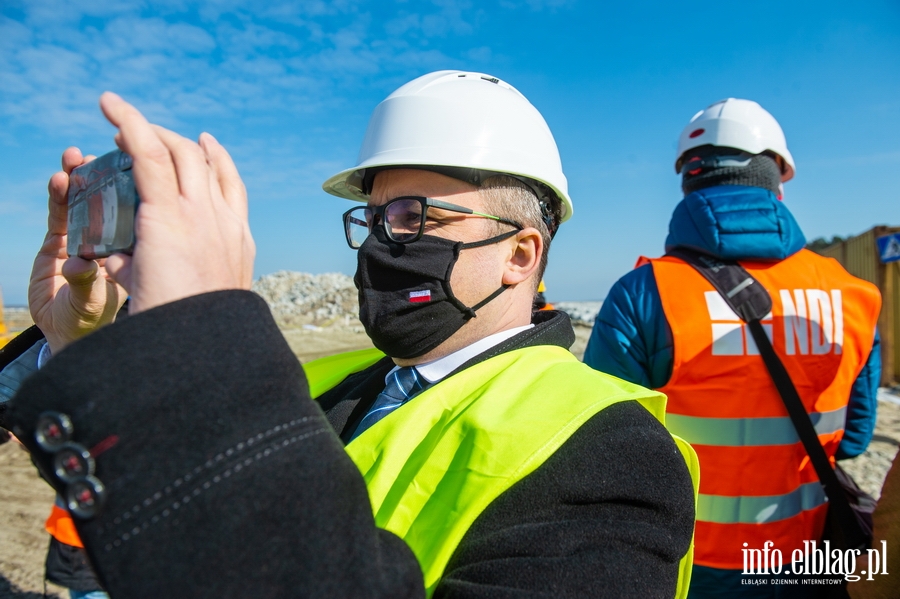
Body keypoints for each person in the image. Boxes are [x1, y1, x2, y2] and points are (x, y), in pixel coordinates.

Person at [3, 72, 698, 598]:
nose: (379, 246)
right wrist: (84, 344)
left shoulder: (614, 457)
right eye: (373, 219)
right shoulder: (333, 382)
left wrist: (208, 326)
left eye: (414, 216)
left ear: (521, 254)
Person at [583, 98, 882, 597]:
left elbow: (601, 454)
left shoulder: (645, 293)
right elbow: (853, 441)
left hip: (689, 564)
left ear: (688, 180)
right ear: (779, 176)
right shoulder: (853, 294)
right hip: (811, 557)